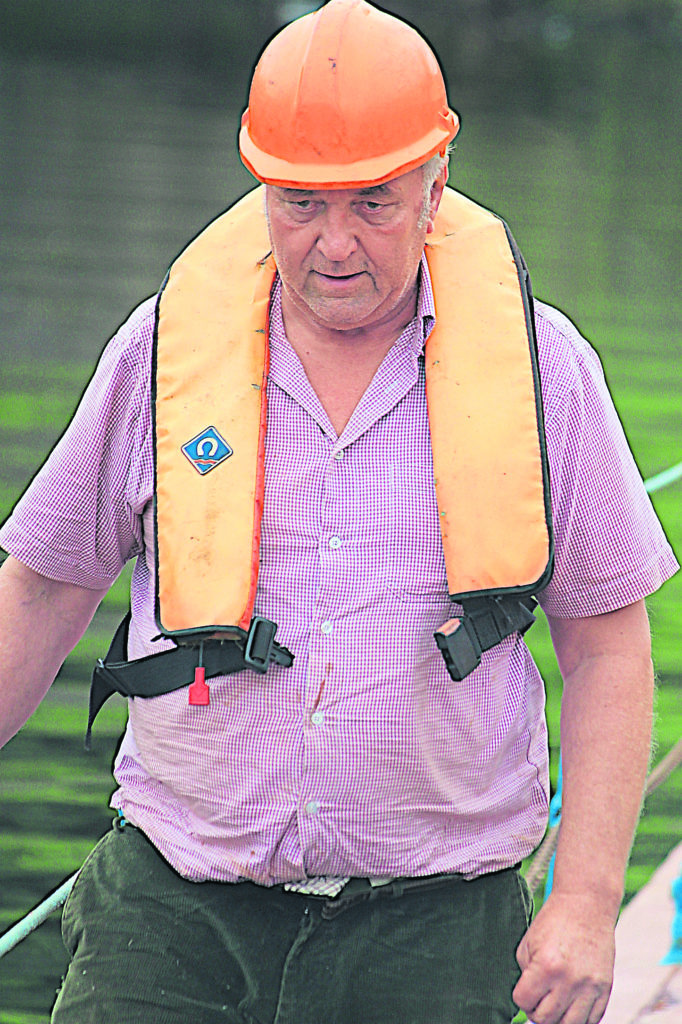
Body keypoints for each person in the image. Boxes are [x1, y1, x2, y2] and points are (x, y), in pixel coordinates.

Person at [0, 1, 677, 1022]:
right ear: (260, 185)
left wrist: (584, 903)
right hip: (175, 915)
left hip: (436, 931)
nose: (334, 244)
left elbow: (610, 649)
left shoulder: (546, 370)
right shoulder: (161, 353)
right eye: (301, 202)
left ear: (434, 182)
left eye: (372, 202)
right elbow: (44, 589)